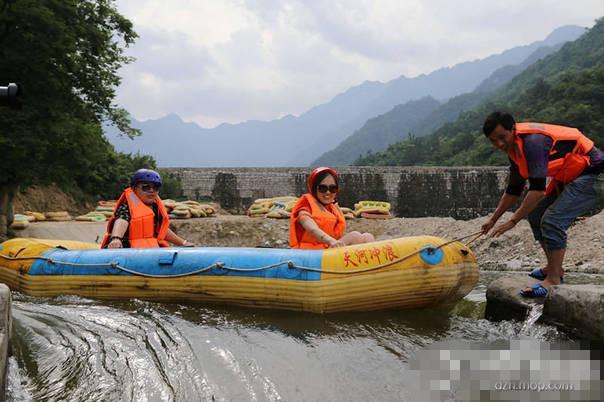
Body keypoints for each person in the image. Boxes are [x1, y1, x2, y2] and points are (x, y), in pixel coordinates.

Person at [480, 112, 604, 297]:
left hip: (595, 174)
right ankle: (555, 269)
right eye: (493, 141)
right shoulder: (514, 151)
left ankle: (553, 279)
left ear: (513, 129)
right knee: (536, 215)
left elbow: (537, 191)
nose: (499, 144)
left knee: (552, 221)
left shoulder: (533, 143)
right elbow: (514, 189)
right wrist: (493, 220)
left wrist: (512, 221)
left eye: (502, 137)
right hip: (572, 176)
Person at [101, 169, 192, 249]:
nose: (151, 190)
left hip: (149, 252)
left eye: (155, 187)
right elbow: (121, 220)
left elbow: (162, 230)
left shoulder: (155, 207)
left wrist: (183, 243)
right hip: (127, 251)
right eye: (146, 187)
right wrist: (116, 238)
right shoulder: (126, 206)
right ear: (134, 188)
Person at [289, 167, 375, 249]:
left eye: (332, 188)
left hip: (327, 249)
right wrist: (331, 241)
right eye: (323, 188)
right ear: (314, 189)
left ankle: (371, 263)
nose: (328, 192)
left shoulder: (332, 209)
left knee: (368, 237)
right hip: (311, 254)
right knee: (355, 236)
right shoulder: (304, 209)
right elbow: (312, 229)